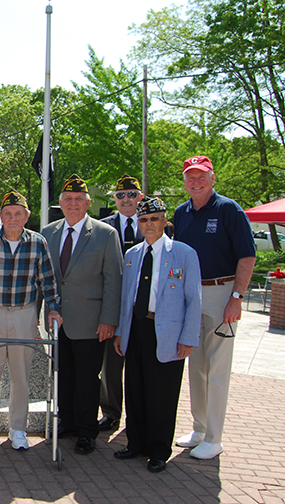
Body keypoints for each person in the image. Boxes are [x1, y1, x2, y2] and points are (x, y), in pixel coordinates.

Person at [172, 155, 256, 460]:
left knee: (218, 370)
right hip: (191, 296)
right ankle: (200, 428)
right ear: (184, 180)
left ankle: (215, 437)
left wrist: (237, 297)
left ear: (212, 177)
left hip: (223, 294)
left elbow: (247, 256)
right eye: (190, 177)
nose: (196, 182)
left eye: (201, 176)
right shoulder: (181, 213)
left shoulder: (229, 209)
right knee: (197, 367)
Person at [113, 196, 201, 473]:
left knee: (162, 393)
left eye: (154, 219)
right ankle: (135, 442)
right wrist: (120, 333)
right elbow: (126, 299)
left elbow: (193, 300)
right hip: (136, 329)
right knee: (135, 389)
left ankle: (159, 449)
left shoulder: (184, 254)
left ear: (164, 221)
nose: (148, 224)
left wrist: (188, 338)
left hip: (168, 332)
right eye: (143, 220)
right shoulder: (132, 255)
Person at [0, 191, 63, 450]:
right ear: (0, 216)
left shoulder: (38, 242)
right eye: (8, 213)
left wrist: (53, 310)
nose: (13, 218)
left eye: (18, 214)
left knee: (21, 373)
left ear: (26, 217)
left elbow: (48, 280)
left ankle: (17, 427)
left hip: (24, 313)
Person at [40, 174, 122, 455]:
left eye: (78, 200)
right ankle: (69, 422)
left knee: (88, 378)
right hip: (56, 319)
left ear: (88, 204)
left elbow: (114, 280)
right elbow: (42, 276)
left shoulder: (105, 233)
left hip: (91, 321)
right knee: (63, 375)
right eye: (68, 199)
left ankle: (87, 431)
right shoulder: (48, 233)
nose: (73, 204)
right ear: (60, 204)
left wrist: (109, 319)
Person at [97, 174, 144, 432]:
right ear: (114, 199)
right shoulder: (104, 227)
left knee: (140, 364)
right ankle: (111, 412)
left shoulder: (155, 224)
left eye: (132, 194)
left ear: (141, 197)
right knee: (111, 365)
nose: (126, 199)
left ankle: (138, 418)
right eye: (121, 195)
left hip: (143, 305)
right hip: (113, 304)